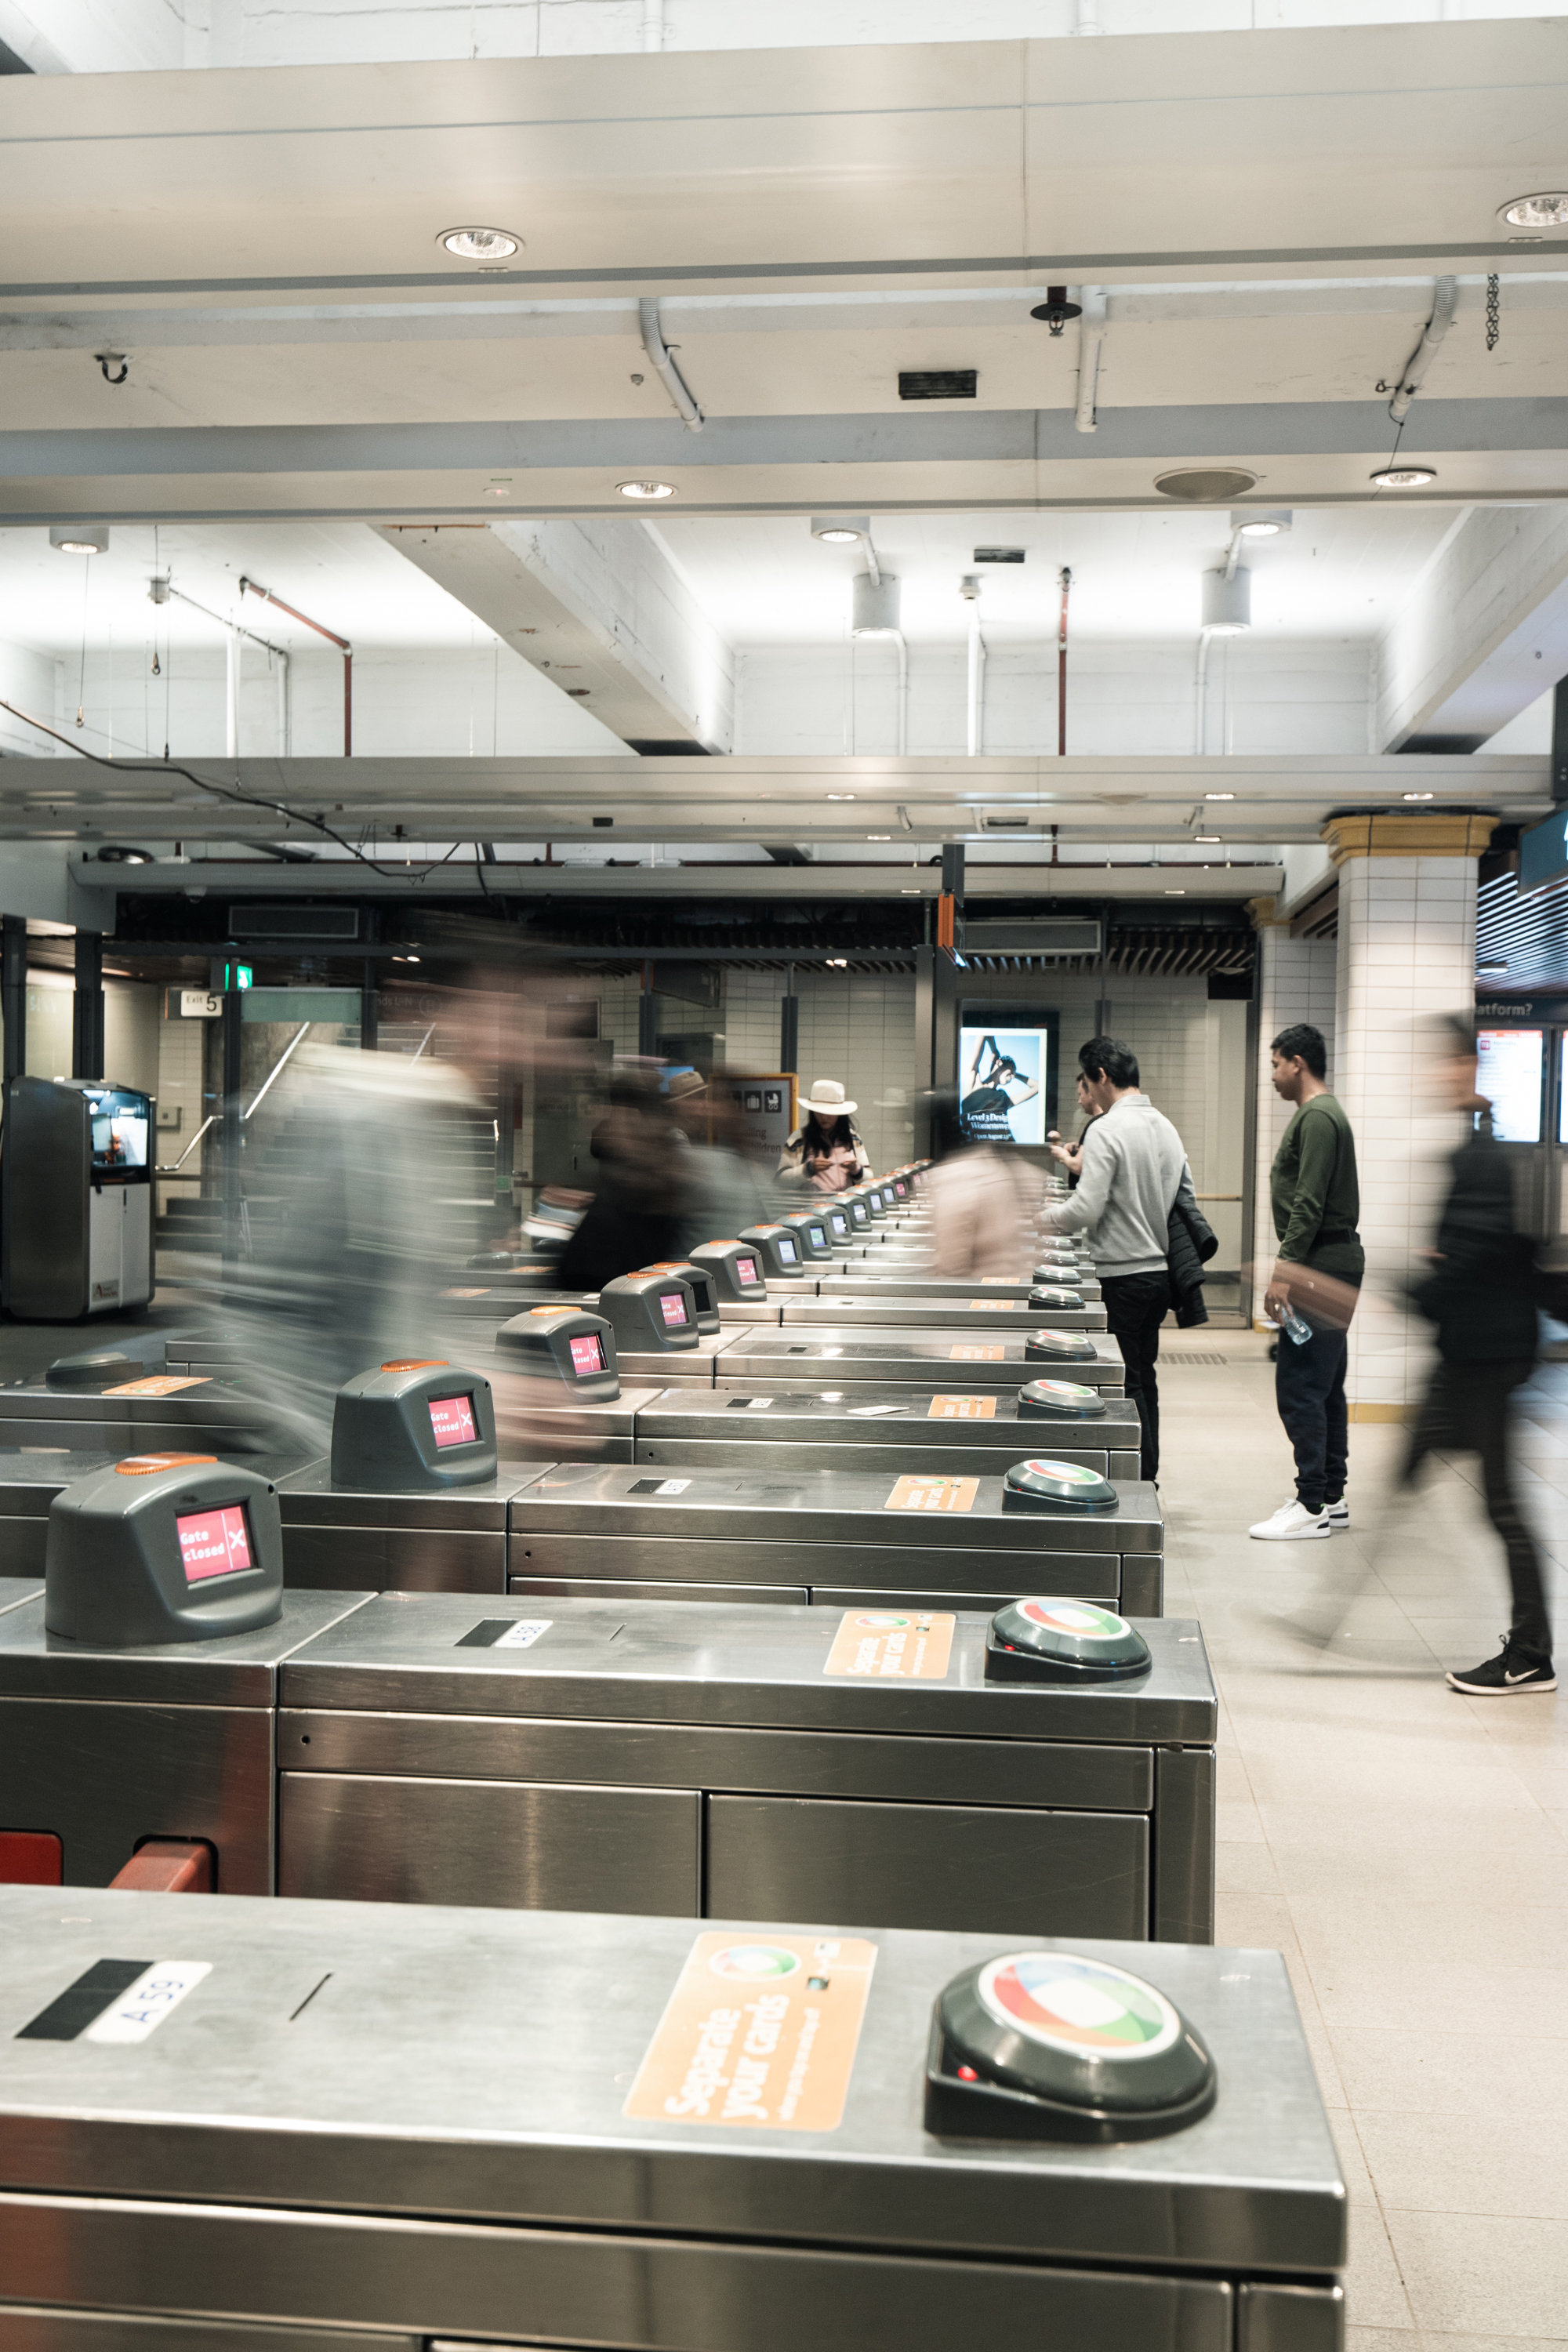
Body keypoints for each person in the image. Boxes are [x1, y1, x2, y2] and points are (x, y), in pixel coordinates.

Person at [1406, 1016, 1553, 1694]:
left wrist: (1412, 1287)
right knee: (1425, 1473)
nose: (1431, 1075)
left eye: (1440, 1062)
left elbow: (1463, 1264)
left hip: (1487, 1357)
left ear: (1466, 1065)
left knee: (1501, 1505)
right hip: (1474, 1352)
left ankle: (1531, 1652)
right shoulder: (1477, 1146)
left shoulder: (1479, 1157)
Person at [1041, 1037, 1197, 1483]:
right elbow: (1183, 1197)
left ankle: (1137, 1481)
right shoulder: (1165, 1126)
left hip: (1122, 1275)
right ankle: (1148, 1473)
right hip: (1158, 1275)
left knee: (1125, 1386)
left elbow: (1085, 1210)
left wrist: (1041, 1219)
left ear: (1101, 1078)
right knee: (1144, 1380)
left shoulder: (1107, 1129)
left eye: (1087, 1081)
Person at [1249, 1022, 1364, 1542]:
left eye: (1276, 1064)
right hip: (1329, 1261)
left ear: (1298, 1062)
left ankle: (1311, 1502)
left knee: (1299, 1386)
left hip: (1319, 1265)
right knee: (1324, 1387)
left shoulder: (1317, 1116)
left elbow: (1308, 1202)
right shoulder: (1321, 1114)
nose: (1272, 1075)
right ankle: (1331, 1497)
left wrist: (1284, 1271)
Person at [922, 1087, 1043, 1278]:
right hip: (1011, 1285)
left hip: (982, 1293)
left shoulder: (958, 1177)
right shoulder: (1021, 1169)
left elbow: (952, 1263)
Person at [777, 1079, 872, 1191]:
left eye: (829, 1112)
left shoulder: (853, 1138)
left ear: (840, 1114)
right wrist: (807, 1169)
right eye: (818, 1112)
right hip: (812, 1207)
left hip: (846, 1205)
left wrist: (857, 1169)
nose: (823, 1117)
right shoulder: (799, 1138)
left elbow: (869, 1179)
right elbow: (781, 1181)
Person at [960, 1033, 1041, 1143]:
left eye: (1013, 1075)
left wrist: (1015, 1074)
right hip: (977, 1149)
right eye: (1010, 1071)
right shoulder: (975, 1081)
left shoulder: (1004, 1099)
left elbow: (1038, 1086)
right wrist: (995, 1051)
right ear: (999, 1063)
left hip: (1005, 1148)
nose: (1012, 1077)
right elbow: (982, 1034)